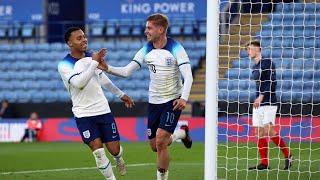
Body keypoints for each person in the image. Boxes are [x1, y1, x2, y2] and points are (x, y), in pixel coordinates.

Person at [100, 13, 193, 180]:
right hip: (154, 102)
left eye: (149, 28)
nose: (146, 31)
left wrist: (184, 98)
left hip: (172, 101)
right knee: (154, 146)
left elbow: (189, 76)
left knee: (160, 141)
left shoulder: (176, 48)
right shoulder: (146, 49)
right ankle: (181, 134)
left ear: (161, 29)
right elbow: (127, 71)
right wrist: (107, 68)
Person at [58, 27, 134, 180]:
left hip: (103, 110)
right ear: (69, 43)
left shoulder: (91, 57)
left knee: (114, 149)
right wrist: (94, 62)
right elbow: (79, 83)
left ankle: (118, 158)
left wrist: (120, 94)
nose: (84, 39)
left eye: (84, 36)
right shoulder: (64, 65)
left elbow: (103, 79)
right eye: (79, 38)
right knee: (98, 151)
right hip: (83, 113)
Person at [246, 41, 293, 170]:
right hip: (259, 103)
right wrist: (258, 98)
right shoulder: (254, 66)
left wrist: (261, 96)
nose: (248, 51)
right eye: (247, 49)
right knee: (259, 132)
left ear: (258, 49)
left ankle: (288, 155)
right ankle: (264, 163)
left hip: (269, 101)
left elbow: (272, 83)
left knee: (269, 130)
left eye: (250, 49)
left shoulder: (268, 63)